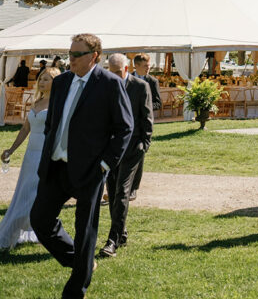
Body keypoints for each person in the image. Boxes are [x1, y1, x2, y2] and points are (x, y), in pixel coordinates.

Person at [30, 33, 133, 299]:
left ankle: (76, 290)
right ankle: (81, 263)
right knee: (40, 219)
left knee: (85, 231)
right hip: (56, 165)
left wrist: (104, 165)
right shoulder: (62, 81)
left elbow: (125, 128)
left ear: (94, 57)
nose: (70, 60)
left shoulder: (109, 84)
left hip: (90, 170)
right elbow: (53, 122)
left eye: (76, 55)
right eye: (69, 53)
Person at [99, 54, 153, 257]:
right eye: (109, 71)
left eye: (117, 71)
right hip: (110, 148)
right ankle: (121, 232)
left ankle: (112, 240)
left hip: (132, 148)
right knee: (112, 192)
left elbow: (147, 117)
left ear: (126, 68)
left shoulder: (139, 86)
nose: (113, 75)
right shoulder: (105, 86)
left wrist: (144, 145)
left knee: (122, 192)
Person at [0, 68, 60, 250]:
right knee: (24, 193)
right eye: (41, 78)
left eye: (47, 79)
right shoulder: (37, 102)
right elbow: (25, 130)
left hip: (46, 154)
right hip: (30, 155)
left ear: (55, 82)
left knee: (34, 195)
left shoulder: (58, 104)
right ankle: (32, 230)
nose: (42, 82)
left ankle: (10, 233)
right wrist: (11, 149)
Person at [128, 52, 161, 201]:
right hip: (126, 124)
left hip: (142, 124)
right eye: (146, 66)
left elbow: (158, 103)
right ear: (136, 66)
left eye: (149, 66)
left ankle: (134, 188)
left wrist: (144, 108)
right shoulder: (127, 79)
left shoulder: (152, 81)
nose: (148, 68)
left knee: (139, 156)